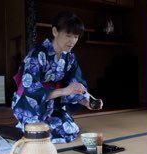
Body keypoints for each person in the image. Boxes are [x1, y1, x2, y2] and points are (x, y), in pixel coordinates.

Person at [12, 11, 103, 144]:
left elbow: (75, 83)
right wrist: (64, 91)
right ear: (55, 31)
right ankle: (25, 123)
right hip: (29, 103)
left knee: (69, 129)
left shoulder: (70, 58)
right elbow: (30, 89)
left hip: (51, 104)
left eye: (76, 36)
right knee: (43, 133)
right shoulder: (36, 55)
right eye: (68, 35)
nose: (72, 41)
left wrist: (87, 102)